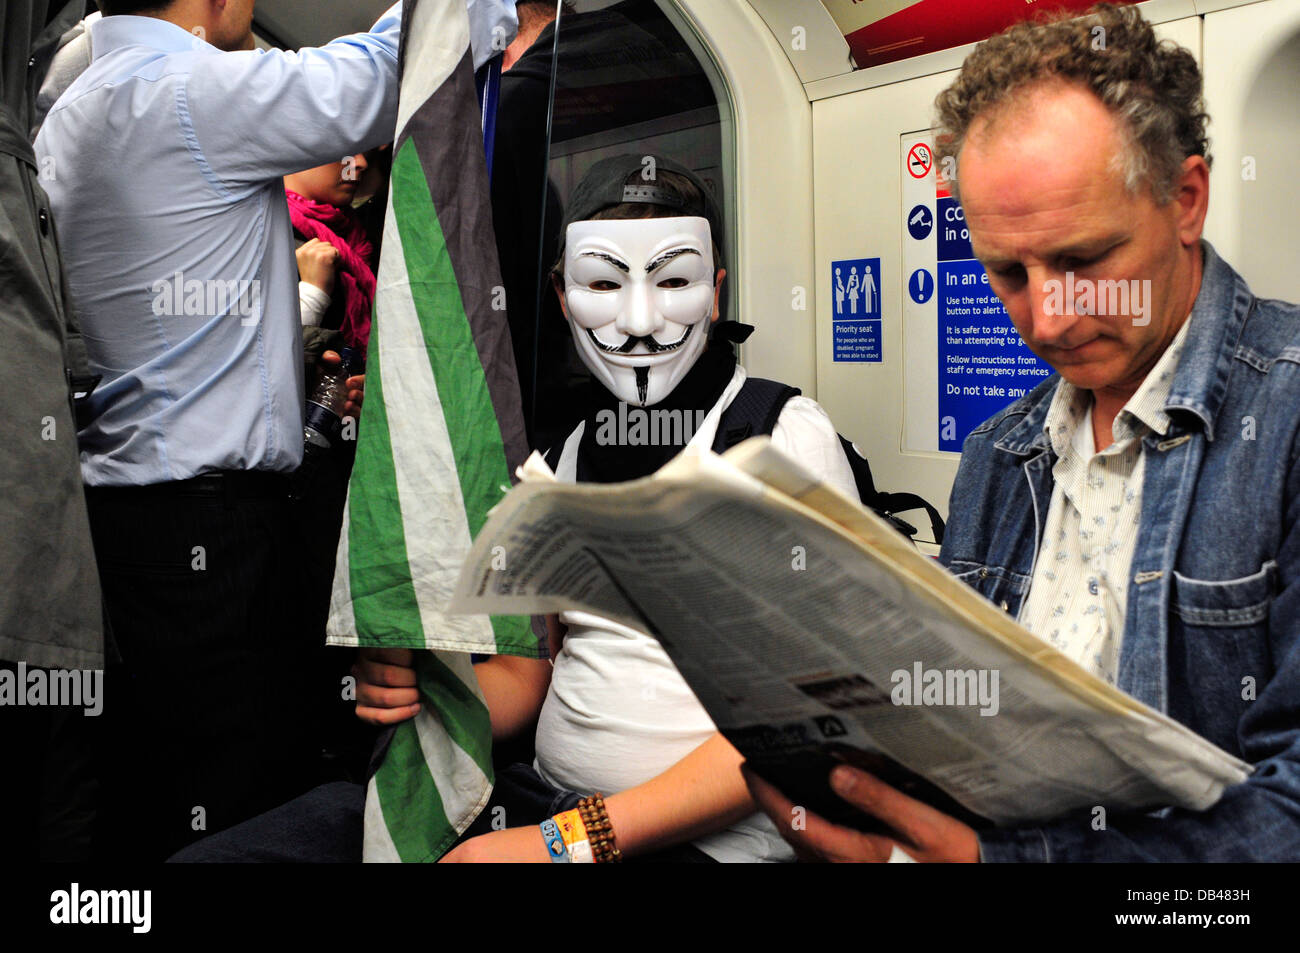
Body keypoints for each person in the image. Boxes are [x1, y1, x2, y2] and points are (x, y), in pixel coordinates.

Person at [168, 154, 860, 863]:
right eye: (604, 283)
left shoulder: (783, 439)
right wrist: (418, 683)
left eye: (674, 280)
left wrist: (564, 845)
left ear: (714, 291)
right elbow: (526, 677)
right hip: (535, 801)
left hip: (691, 847)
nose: (642, 318)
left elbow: (805, 723)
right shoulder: (561, 461)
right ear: (564, 297)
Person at [745, 3, 1300, 862]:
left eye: (1083, 261)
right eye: (1006, 271)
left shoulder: (1289, 424)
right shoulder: (1000, 454)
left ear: (1185, 200)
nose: (1046, 319)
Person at [32, 0, 402, 860]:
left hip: (120, 530)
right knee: (247, 813)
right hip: (213, 537)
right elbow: (386, 74)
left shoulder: (66, 107)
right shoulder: (190, 85)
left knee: (161, 800)